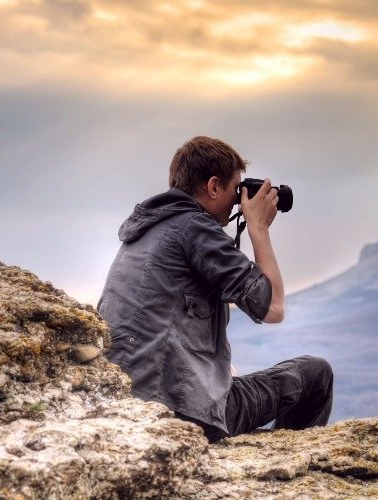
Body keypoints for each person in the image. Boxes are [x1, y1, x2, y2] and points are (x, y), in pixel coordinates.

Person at [98, 136, 333, 442]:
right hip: (179, 411)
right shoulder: (194, 228)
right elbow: (274, 307)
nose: (240, 199)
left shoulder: (147, 230)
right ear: (213, 187)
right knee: (315, 374)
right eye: (237, 189)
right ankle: (286, 467)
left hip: (130, 402)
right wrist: (258, 228)